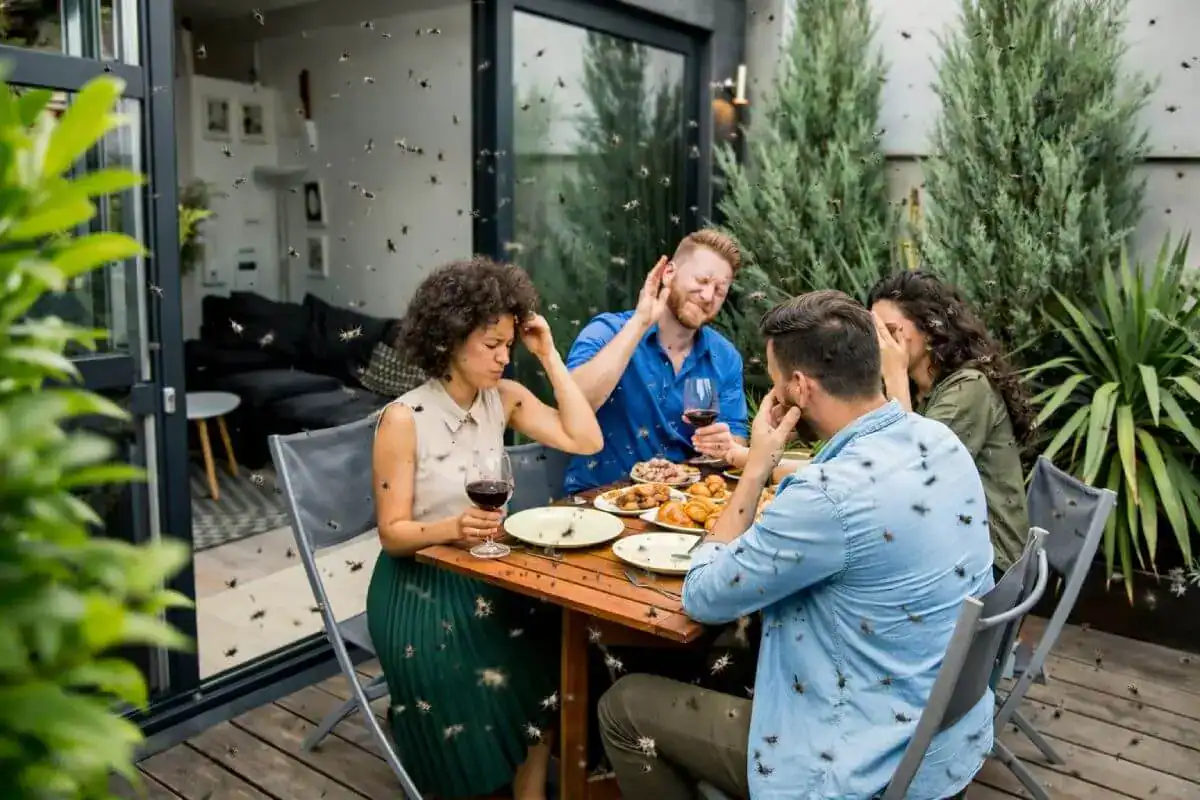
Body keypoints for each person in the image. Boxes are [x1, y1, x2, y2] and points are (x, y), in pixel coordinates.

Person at [598, 290, 995, 800]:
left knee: (625, 706)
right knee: (740, 648)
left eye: (774, 379)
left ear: (801, 387)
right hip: (942, 738)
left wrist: (757, 465)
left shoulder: (827, 494)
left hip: (858, 760)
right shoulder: (938, 441)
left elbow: (702, 595)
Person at [368, 257, 603, 799]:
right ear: (451, 339)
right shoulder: (403, 419)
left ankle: (528, 793)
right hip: (419, 587)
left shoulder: (506, 399)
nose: (503, 356)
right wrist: (453, 526)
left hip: (489, 573)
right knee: (478, 674)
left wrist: (547, 353)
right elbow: (393, 533)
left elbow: (586, 439)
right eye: (490, 343)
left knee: (555, 654)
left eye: (508, 343)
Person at [868, 270, 1034, 577]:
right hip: (949, 544)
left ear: (930, 331)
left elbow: (912, 480)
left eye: (891, 332)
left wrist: (893, 376)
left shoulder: (969, 389)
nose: (882, 346)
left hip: (989, 563)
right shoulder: (917, 392)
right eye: (875, 335)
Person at [562, 229, 750, 494]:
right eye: (702, 280)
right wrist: (639, 324)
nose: (708, 296)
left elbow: (735, 442)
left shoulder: (725, 358)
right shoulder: (608, 331)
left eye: (720, 290)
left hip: (680, 509)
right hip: (596, 503)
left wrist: (723, 446)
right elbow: (573, 406)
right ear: (669, 273)